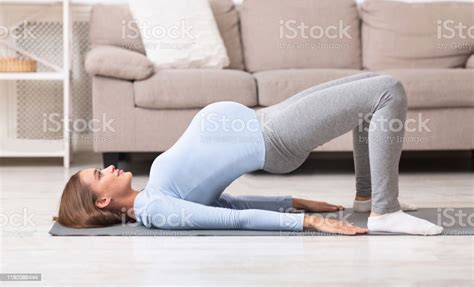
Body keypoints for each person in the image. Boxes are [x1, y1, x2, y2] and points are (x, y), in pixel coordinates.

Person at [54, 72, 443, 235]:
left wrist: (293, 201)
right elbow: (229, 219)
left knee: (368, 85)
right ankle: (385, 211)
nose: (107, 167)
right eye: (99, 174)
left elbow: (231, 201)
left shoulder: (153, 196)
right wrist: (308, 223)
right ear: (103, 199)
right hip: (273, 137)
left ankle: (366, 197)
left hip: (266, 121)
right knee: (387, 90)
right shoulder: (157, 210)